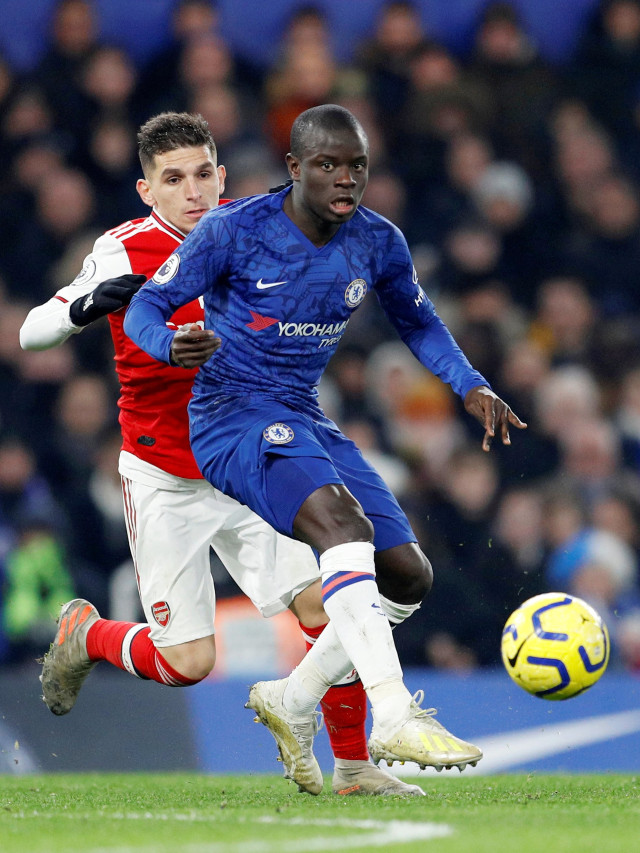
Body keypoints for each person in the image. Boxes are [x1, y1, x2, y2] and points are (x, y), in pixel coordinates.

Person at [20, 111, 423, 798]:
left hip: (247, 458)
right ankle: (87, 633)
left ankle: (354, 768)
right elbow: (32, 333)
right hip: (166, 477)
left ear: (222, 175)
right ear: (147, 190)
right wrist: (86, 305)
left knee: (332, 601)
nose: (193, 190)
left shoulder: (257, 231)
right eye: (173, 179)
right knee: (188, 661)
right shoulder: (122, 249)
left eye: (203, 173)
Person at [124, 104, 527, 790]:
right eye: (328, 165)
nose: (345, 179)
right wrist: (170, 344)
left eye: (357, 166)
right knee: (343, 526)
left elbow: (420, 323)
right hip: (229, 415)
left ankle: (294, 697)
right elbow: (143, 308)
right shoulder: (233, 229)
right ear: (295, 169)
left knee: (407, 575)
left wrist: (470, 385)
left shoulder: (377, 241)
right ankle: (394, 713)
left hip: (303, 413)